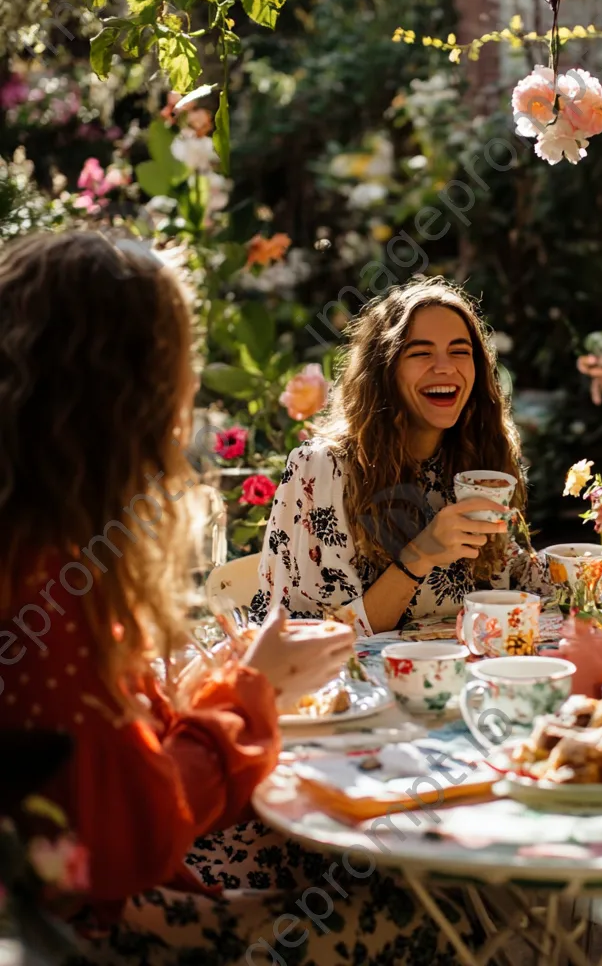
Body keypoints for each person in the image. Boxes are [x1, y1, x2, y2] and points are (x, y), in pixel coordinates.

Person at [0, 233, 478, 964]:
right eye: (177, 361)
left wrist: (201, 694)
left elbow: (100, 768)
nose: (189, 392)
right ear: (119, 390)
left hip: (131, 894)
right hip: (111, 934)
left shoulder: (49, 553)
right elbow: (132, 834)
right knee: (451, 918)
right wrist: (248, 692)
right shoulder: (51, 589)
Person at [252, 278, 549, 635]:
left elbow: (511, 577)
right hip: (356, 686)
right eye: (421, 353)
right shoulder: (324, 468)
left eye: (460, 351)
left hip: (460, 680)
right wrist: (420, 557)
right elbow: (311, 634)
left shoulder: (473, 460)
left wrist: (597, 556)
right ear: (385, 370)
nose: (445, 367)